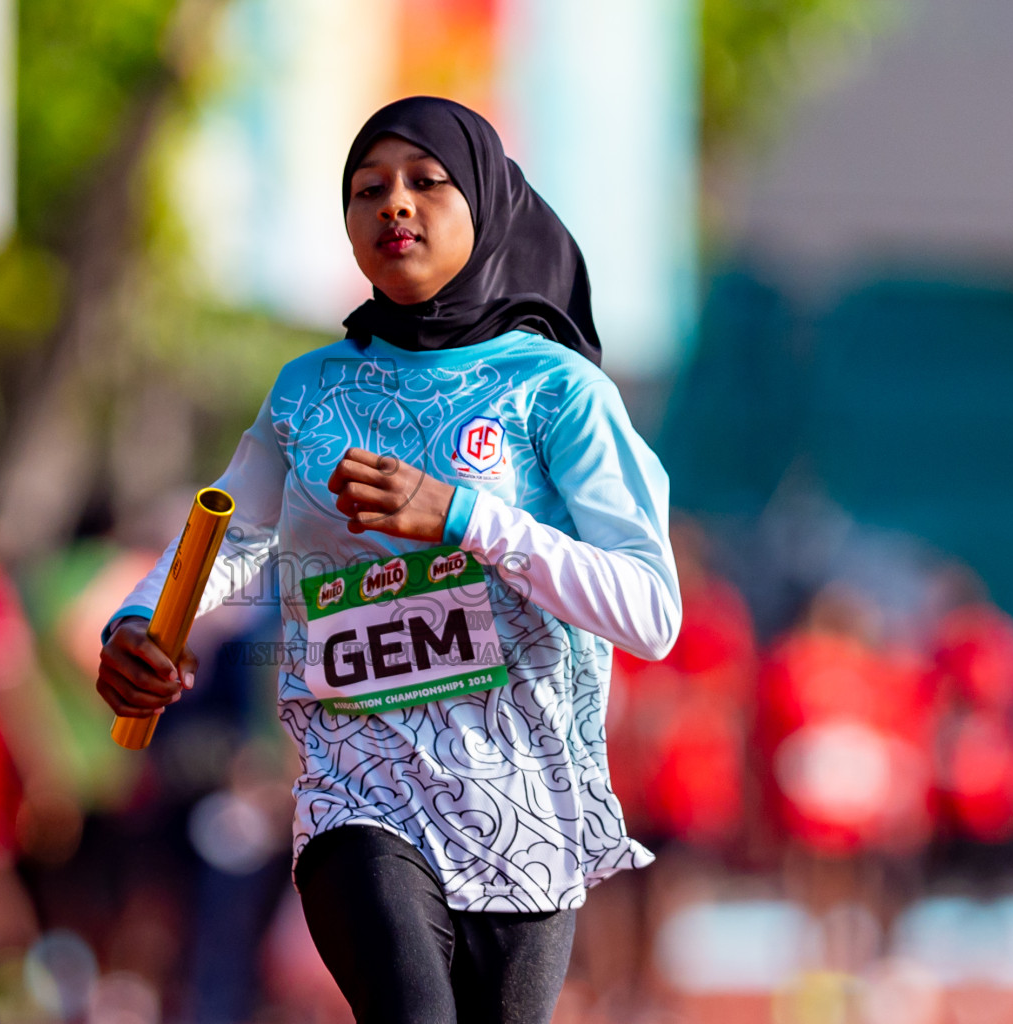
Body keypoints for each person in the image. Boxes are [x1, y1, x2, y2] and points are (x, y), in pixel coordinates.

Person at [95, 96, 681, 1024]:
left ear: (484, 203)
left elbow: (650, 613)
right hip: (356, 789)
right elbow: (231, 537)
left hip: (524, 802)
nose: (394, 205)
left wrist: (465, 517)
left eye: (425, 183)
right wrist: (139, 620)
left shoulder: (556, 390)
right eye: (368, 190)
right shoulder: (309, 390)